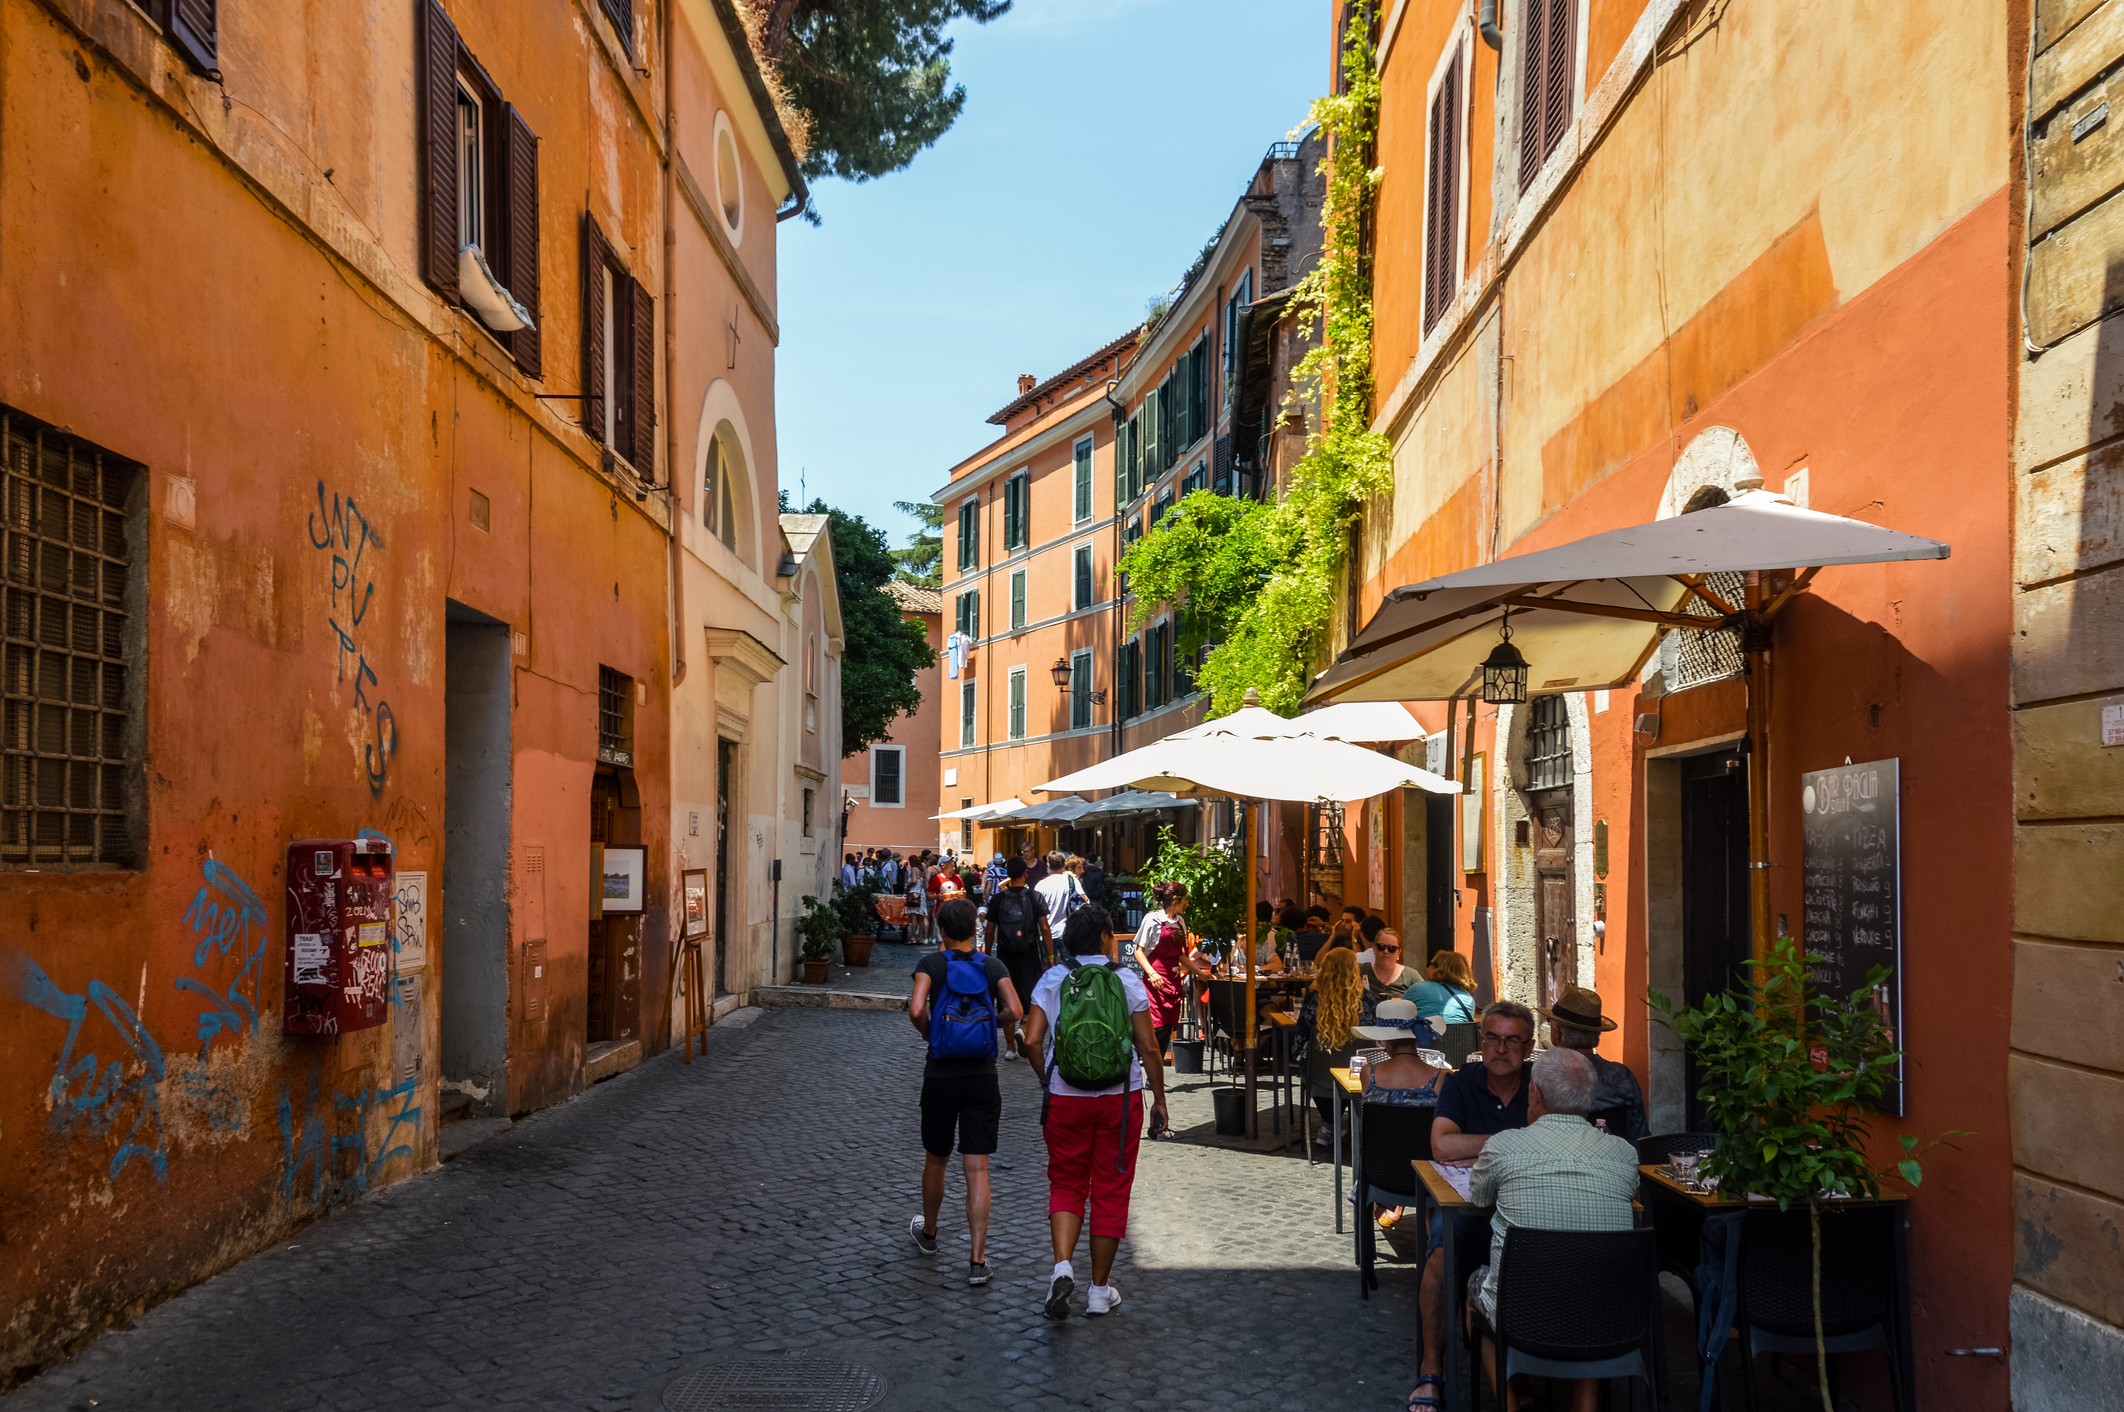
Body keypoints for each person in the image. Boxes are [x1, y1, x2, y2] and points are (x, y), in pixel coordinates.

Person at [1465, 1048, 1638, 1412]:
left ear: (1535, 1094)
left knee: (1474, 1293)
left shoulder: (1503, 1146)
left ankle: (1510, 1403)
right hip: (1609, 1318)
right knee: (1588, 1287)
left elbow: (1479, 1197)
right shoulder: (1624, 1154)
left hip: (1521, 1316)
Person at [1019, 905, 1167, 1320]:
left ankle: (1062, 1268)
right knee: (1111, 1190)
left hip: (1066, 1097)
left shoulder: (1053, 978)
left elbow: (1031, 1040)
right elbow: (1149, 1047)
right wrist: (1159, 1098)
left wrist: (1047, 1081)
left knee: (1066, 1182)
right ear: (1105, 937)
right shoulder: (1127, 980)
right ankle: (1099, 1291)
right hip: (1120, 1097)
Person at [1410, 1000, 1536, 1411]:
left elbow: (1548, 1145)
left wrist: (1480, 1148)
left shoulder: (1540, 1086)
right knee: (1440, 1256)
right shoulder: (1463, 1082)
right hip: (1465, 1208)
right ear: (1482, 1041)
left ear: (1529, 1045)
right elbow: (1442, 1145)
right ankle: (1432, 1371)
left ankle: (1532, 1365)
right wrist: (1513, 1145)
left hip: (1526, 1208)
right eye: (1493, 1039)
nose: (1500, 1049)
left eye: (1512, 1040)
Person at [906, 897, 1023, 1288]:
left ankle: (931, 1235)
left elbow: (916, 1008)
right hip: (982, 1076)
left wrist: (931, 1034)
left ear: (941, 930)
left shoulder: (931, 965)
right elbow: (1016, 1010)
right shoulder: (992, 966)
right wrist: (992, 1024)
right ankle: (977, 1260)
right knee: (977, 1168)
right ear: (974, 928)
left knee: (936, 1159)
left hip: (940, 1074)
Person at [1351, 997, 1449, 1229]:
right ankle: (1432, 1236)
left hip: (1382, 1173)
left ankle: (1387, 1206)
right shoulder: (1441, 1078)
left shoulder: (1369, 1074)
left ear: (1385, 1040)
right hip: (1428, 1176)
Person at [1535, 986, 1648, 1142]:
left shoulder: (1546, 1076)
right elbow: (1640, 1138)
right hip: (1616, 1162)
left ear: (1557, 1034)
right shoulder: (1622, 1076)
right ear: (1597, 1035)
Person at [1294, 946, 1372, 1145]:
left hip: (1319, 1074)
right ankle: (1335, 1125)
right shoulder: (1369, 1001)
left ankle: (1330, 1123)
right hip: (1356, 1074)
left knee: (1308, 1059)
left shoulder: (1314, 1001)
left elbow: (1299, 1040)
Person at [986, 856, 1053, 1060]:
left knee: (1006, 1000)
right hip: (1030, 954)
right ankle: (1023, 1030)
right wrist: (1050, 955)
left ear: (1007, 874)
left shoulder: (998, 899)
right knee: (1029, 996)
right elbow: (1044, 927)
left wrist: (987, 955)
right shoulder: (1035, 897)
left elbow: (989, 930)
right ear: (1026, 873)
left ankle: (1009, 1048)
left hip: (1005, 956)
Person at [1129, 880, 1192, 1059]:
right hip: (1155, 981)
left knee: (1168, 1027)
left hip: (1173, 981)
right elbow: (1139, 952)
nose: (1186, 903)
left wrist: (1201, 973)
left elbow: (1181, 956)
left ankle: (1154, 1073)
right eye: (1184, 899)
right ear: (1175, 899)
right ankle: (1137, 1056)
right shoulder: (1152, 919)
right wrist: (1152, 973)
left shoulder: (1180, 922)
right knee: (1158, 1027)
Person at [1407, 950, 1481, 1025]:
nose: (1427, 968)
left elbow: (1398, 1015)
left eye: (1429, 964)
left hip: (1424, 1036)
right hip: (1458, 1036)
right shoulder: (1468, 999)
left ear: (1438, 969)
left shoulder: (1418, 989)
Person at [1034, 849, 1087, 941]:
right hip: (1067, 933)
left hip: (1046, 934)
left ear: (1048, 865)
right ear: (1063, 865)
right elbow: (1085, 901)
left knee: (1049, 956)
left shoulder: (1040, 885)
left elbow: (1035, 909)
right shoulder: (1072, 881)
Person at [1364, 927, 1416, 1003]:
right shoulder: (1360, 971)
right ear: (1374, 949)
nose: (1386, 951)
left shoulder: (1411, 976)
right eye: (1381, 946)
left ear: (1398, 953)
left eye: (1392, 948)